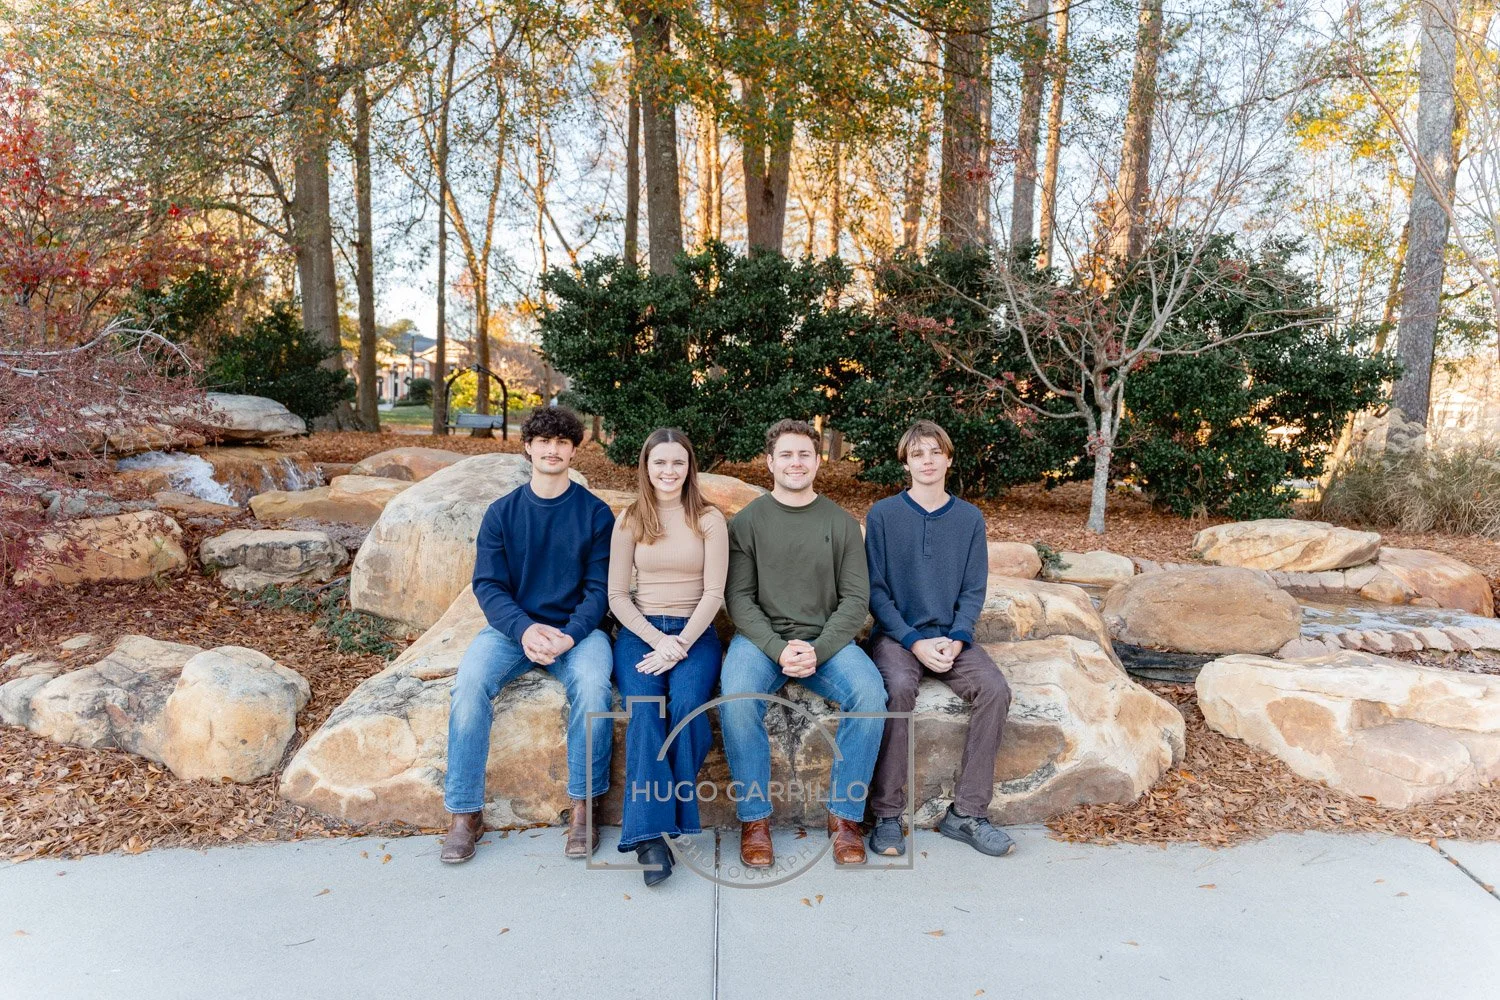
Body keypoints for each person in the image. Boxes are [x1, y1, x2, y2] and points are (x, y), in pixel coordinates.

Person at [440, 406, 616, 864]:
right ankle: (464, 812)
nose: (552, 450)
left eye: (562, 442)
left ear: (574, 450)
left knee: (595, 687)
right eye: (544, 441)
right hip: (513, 630)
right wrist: (524, 629)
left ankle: (584, 807)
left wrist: (571, 634)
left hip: (579, 633)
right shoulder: (502, 513)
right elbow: (489, 586)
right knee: (470, 683)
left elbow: (601, 589)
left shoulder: (596, 514)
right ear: (528, 447)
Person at [719, 418, 887, 868]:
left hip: (826, 640)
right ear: (770, 462)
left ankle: (845, 818)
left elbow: (856, 600)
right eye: (786, 455)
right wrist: (777, 648)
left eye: (804, 454)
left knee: (871, 694)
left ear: (817, 461)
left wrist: (820, 648)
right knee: (736, 698)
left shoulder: (842, 522)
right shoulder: (748, 521)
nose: (796, 463)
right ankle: (755, 821)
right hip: (761, 642)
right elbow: (738, 596)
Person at [863, 420, 1015, 858]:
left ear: (948, 458)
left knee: (995, 689)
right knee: (897, 689)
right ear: (905, 463)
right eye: (917, 454)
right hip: (898, 637)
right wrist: (913, 642)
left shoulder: (969, 518)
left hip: (951, 637)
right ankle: (888, 814)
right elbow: (876, 591)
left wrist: (958, 639)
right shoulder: (884, 515)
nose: (926, 461)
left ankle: (966, 814)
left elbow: (973, 589)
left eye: (934, 452)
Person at [607, 428, 728, 887]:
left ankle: (657, 819)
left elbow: (714, 593)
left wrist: (679, 642)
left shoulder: (710, 520)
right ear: (646, 466)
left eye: (678, 463)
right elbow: (618, 596)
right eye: (660, 463)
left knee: (686, 708)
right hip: (641, 632)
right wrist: (656, 639)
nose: (669, 471)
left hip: (695, 633)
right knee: (644, 710)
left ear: (689, 467)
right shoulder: (631, 519)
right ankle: (652, 837)